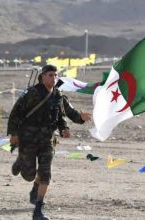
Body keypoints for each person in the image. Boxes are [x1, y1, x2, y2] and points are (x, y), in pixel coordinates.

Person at [7, 64, 90, 220]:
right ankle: (21, 161)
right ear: (43, 76)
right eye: (50, 75)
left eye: (55, 75)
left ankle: (38, 210)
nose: (53, 78)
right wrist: (13, 134)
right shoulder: (32, 94)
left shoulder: (58, 95)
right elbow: (16, 113)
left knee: (45, 173)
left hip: (47, 141)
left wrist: (80, 118)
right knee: (29, 175)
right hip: (29, 139)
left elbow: (67, 113)